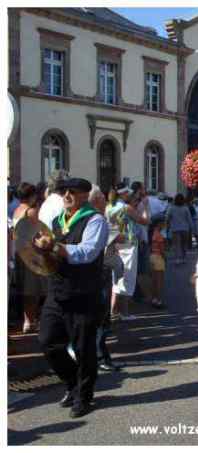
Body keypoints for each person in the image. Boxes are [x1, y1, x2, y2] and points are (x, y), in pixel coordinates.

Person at [36, 177, 109, 418]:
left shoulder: (95, 220)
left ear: (84, 195)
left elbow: (87, 252)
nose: (66, 195)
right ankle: (73, 384)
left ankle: (84, 396)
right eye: (63, 192)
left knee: (83, 347)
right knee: (48, 342)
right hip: (57, 291)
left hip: (83, 293)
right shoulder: (57, 221)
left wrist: (55, 247)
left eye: (72, 192)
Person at [89, 185, 122, 372]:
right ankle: (100, 357)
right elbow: (107, 247)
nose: (105, 199)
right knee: (101, 318)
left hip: (100, 273)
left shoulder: (98, 218)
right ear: (95, 201)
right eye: (102, 197)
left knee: (101, 318)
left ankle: (101, 355)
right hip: (100, 273)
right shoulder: (97, 220)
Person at [106, 183, 146, 321]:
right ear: (123, 194)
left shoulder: (109, 206)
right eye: (127, 193)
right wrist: (146, 206)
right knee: (128, 276)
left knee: (116, 277)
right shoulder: (126, 207)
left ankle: (113, 311)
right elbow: (145, 221)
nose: (130, 195)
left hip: (114, 242)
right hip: (128, 243)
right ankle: (125, 312)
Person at [11, 182, 45, 333]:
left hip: (18, 252)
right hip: (30, 253)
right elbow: (38, 233)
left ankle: (27, 320)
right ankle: (30, 321)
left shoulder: (17, 210)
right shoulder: (31, 211)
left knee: (25, 289)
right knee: (33, 289)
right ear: (32, 196)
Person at [166, 194, 193, 264]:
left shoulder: (171, 208)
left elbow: (167, 217)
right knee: (184, 244)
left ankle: (177, 259)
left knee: (176, 245)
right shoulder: (185, 208)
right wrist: (191, 227)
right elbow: (189, 219)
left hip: (175, 228)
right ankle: (184, 258)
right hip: (185, 229)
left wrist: (167, 225)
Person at [149, 219, 167, 309]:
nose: (164, 225)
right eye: (163, 223)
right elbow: (162, 250)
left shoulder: (152, 234)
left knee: (154, 281)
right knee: (159, 282)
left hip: (152, 256)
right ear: (159, 224)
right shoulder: (159, 236)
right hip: (158, 257)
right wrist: (165, 258)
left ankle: (154, 299)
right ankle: (159, 300)